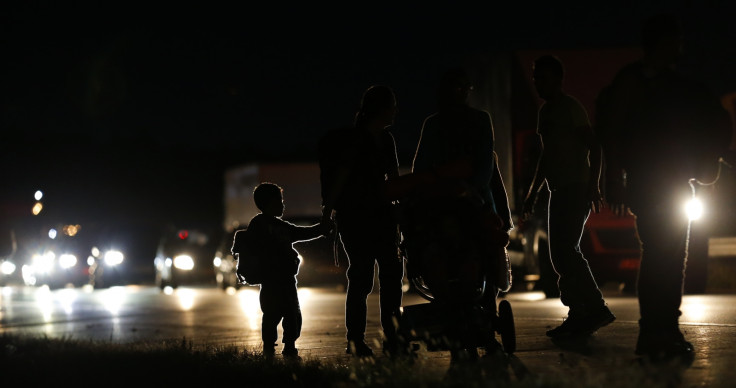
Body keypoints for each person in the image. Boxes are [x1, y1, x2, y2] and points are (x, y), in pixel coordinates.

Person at [597, 13, 731, 362]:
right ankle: (655, 332)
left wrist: (705, 166)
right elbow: (612, 132)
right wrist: (614, 180)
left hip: (675, 184)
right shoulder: (633, 81)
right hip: (650, 184)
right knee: (661, 256)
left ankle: (664, 330)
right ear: (662, 42)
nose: (681, 47)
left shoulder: (676, 84)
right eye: (676, 40)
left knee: (672, 259)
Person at [411, 68, 513, 360]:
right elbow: (422, 167)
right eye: (453, 89)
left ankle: (487, 325)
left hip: (472, 202)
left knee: (486, 261)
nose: (458, 94)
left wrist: (470, 192)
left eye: (461, 88)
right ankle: (457, 328)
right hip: (445, 204)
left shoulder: (479, 121)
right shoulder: (435, 125)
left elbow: (486, 168)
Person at [521, 55, 615, 339]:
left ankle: (595, 307)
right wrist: (532, 193)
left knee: (567, 250)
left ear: (558, 80)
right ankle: (578, 314)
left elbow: (595, 147)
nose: (538, 83)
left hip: (576, 188)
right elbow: (546, 157)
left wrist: (594, 186)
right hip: (557, 191)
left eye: (543, 78)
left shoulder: (571, 108)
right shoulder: (545, 113)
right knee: (558, 256)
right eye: (536, 78)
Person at [319, 85, 404, 357]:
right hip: (361, 217)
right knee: (371, 277)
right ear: (381, 109)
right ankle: (368, 339)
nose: (395, 110)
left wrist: (329, 212)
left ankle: (375, 338)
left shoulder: (385, 139)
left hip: (369, 217)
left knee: (375, 277)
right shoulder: (360, 140)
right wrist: (328, 212)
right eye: (391, 104)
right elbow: (346, 176)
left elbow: (393, 178)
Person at [244, 182, 330, 358]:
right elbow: (255, 247)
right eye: (280, 200)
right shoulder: (258, 224)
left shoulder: (282, 226)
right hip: (270, 280)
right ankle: (269, 347)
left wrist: (322, 229)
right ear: (270, 202)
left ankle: (289, 346)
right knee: (272, 315)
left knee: (292, 315)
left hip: (287, 280)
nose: (283, 204)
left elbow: (302, 233)